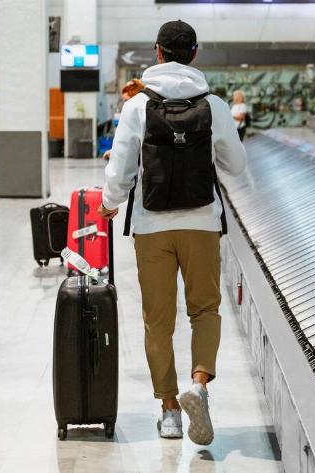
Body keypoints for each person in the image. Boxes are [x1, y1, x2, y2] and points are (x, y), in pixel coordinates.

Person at [98, 20, 246, 445]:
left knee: (157, 321)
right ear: (194, 54)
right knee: (204, 310)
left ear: (158, 53)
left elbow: (122, 167)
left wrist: (110, 204)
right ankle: (199, 385)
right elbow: (236, 166)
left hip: (151, 226)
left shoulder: (137, 105)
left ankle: (168, 412)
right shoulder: (214, 105)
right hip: (200, 222)